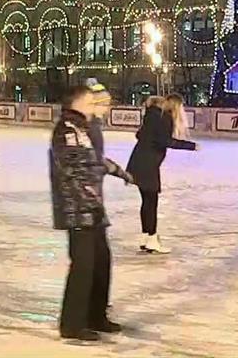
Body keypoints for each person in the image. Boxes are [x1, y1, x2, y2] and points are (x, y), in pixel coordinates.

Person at [50, 81, 132, 342]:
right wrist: (103, 171)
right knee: (83, 265)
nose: (94, 106)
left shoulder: (83, 128)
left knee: (101, 261)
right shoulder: (66, 130)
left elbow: (94, 160)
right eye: (89, 101)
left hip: (92, 206)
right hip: (77, 207)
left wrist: (119, 172)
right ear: (76, 103)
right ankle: (72, 324)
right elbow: (77, 165)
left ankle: (96, 315)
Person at [125, 94, 198, 255]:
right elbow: (166, 141)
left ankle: (146, 237)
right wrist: (191, 146)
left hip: (137, 162)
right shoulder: (165, 118)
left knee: (147, 201)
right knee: (151, 202)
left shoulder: (151, 116)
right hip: (148, 165)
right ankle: (152, 239)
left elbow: (140, 135)